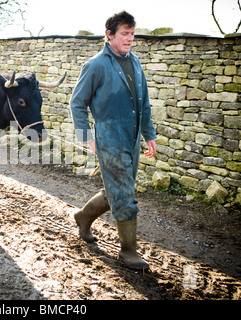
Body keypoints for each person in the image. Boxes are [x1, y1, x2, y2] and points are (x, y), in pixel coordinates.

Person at [69, 11, 157, 270]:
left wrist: (149, 134)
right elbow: (77, 103)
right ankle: (129, 251)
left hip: (132, 141)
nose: (130, 39)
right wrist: (88, 138)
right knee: (125, 195)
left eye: (132, 34)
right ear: (109, 35)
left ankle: (82, 217)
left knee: (116, 191)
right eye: (124, 34)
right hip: (109, 140)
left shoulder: (136, 62)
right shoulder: (95, 65)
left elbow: (144, 104)